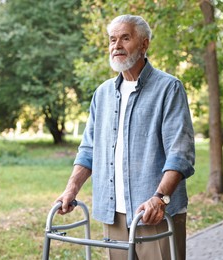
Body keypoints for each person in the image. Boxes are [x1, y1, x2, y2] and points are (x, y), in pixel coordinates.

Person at [54, 14, 195, 260]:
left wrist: (160, 198)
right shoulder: (103, 94)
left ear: (144, 44)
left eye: (125, 38)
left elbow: (180, 153)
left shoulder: (169, 88)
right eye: (112, 40)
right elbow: (88, 149)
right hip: (115, 215)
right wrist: (71, 190)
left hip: (155, 213)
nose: (116, 46)